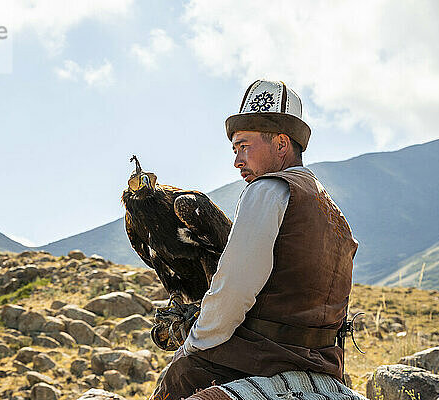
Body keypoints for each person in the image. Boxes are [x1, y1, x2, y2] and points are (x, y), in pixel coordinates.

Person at [150, 80, 359, 400]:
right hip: (326, 367)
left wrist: (193, 343)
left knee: (181, 374)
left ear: (280, 143)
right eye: (235, 149)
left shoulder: (268, 190)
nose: (237, 160)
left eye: (245, 145)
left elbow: (234, 289)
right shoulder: (334, 215)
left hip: (264, 360)